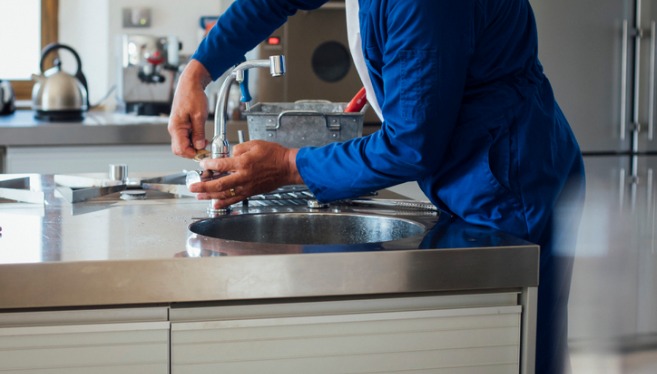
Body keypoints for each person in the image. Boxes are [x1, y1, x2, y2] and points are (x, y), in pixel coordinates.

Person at [168, 1, 585, 372]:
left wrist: (286, 164)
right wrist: (197, 71)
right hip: (476, 169)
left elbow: (410, 145)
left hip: (511, 179)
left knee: (523, 348)